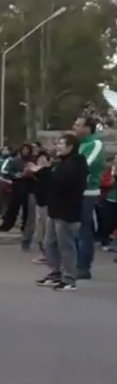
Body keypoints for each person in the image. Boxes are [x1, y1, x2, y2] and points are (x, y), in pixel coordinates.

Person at [34, 134, 88, 291]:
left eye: (61, 144)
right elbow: (51, 179)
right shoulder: (61, 163)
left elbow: (62, 182)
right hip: (54, 209)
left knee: (66, 246)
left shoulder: (76, 164)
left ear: (70, 147)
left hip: (67, 212)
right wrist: (44, 171)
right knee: (49, 243)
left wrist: (45, 170)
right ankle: (54, 273)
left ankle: (70, 278)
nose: (57, 146)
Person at [72, 116, 106, 279]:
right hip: (74, 192)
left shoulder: (95, 144)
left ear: (88, 128)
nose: (74, 127)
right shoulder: (78, 145)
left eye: (78, 125)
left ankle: (83, 267)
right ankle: (74, 262)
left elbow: (84, 166)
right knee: (73, 230)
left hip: (87, 193)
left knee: (84, 230)